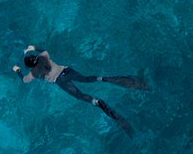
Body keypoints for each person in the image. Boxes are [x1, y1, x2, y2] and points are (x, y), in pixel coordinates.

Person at [13, 45, 147, 136]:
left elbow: (24, 80)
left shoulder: (34, 73)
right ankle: (103, 79)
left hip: (61, 81)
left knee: (80, 95)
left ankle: (96, 101)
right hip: (67, 70)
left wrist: (17, 70)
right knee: (86, 79)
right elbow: (43, 49)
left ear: (30, 66)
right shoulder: (44, 56)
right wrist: (33, 48)